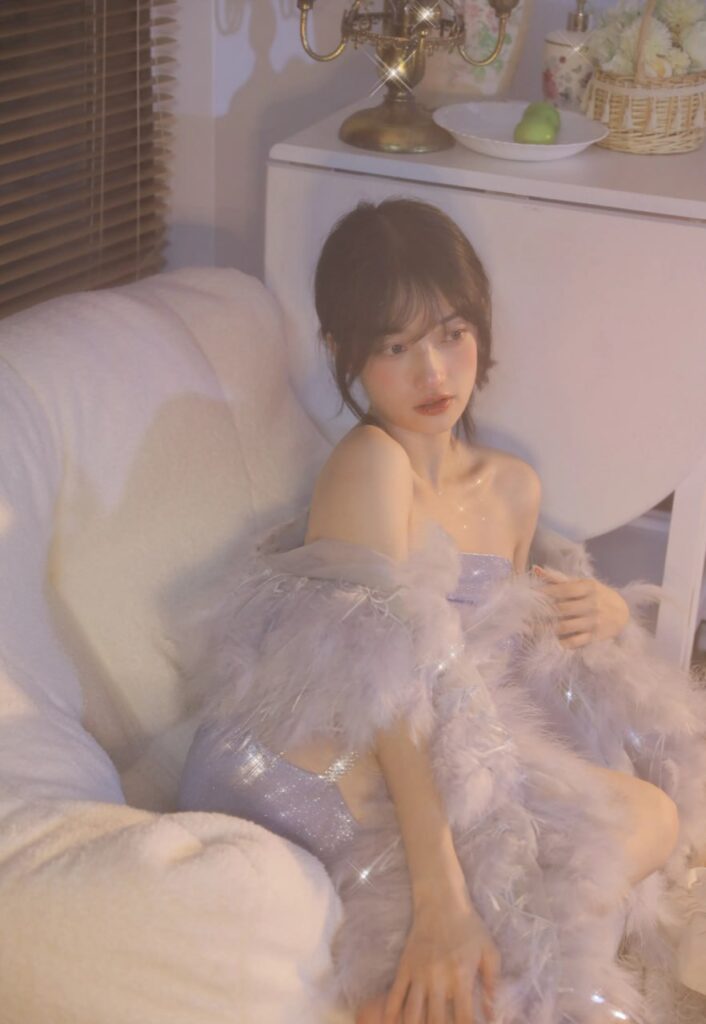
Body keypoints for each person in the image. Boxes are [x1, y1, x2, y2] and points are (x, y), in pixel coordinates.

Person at [178, 199, 706, 1024]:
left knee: (645, 815)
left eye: (451, 334)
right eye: (395, 347)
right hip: (331, 749)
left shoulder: (513, 487)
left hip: (452, 741)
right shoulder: (370, 464)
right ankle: (438, 977)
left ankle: (499, 979)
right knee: (502, 873)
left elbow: (507, 654)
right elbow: (379, 686)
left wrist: (599, 612)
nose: (433, 373)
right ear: (343, 353)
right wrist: (442, 898)